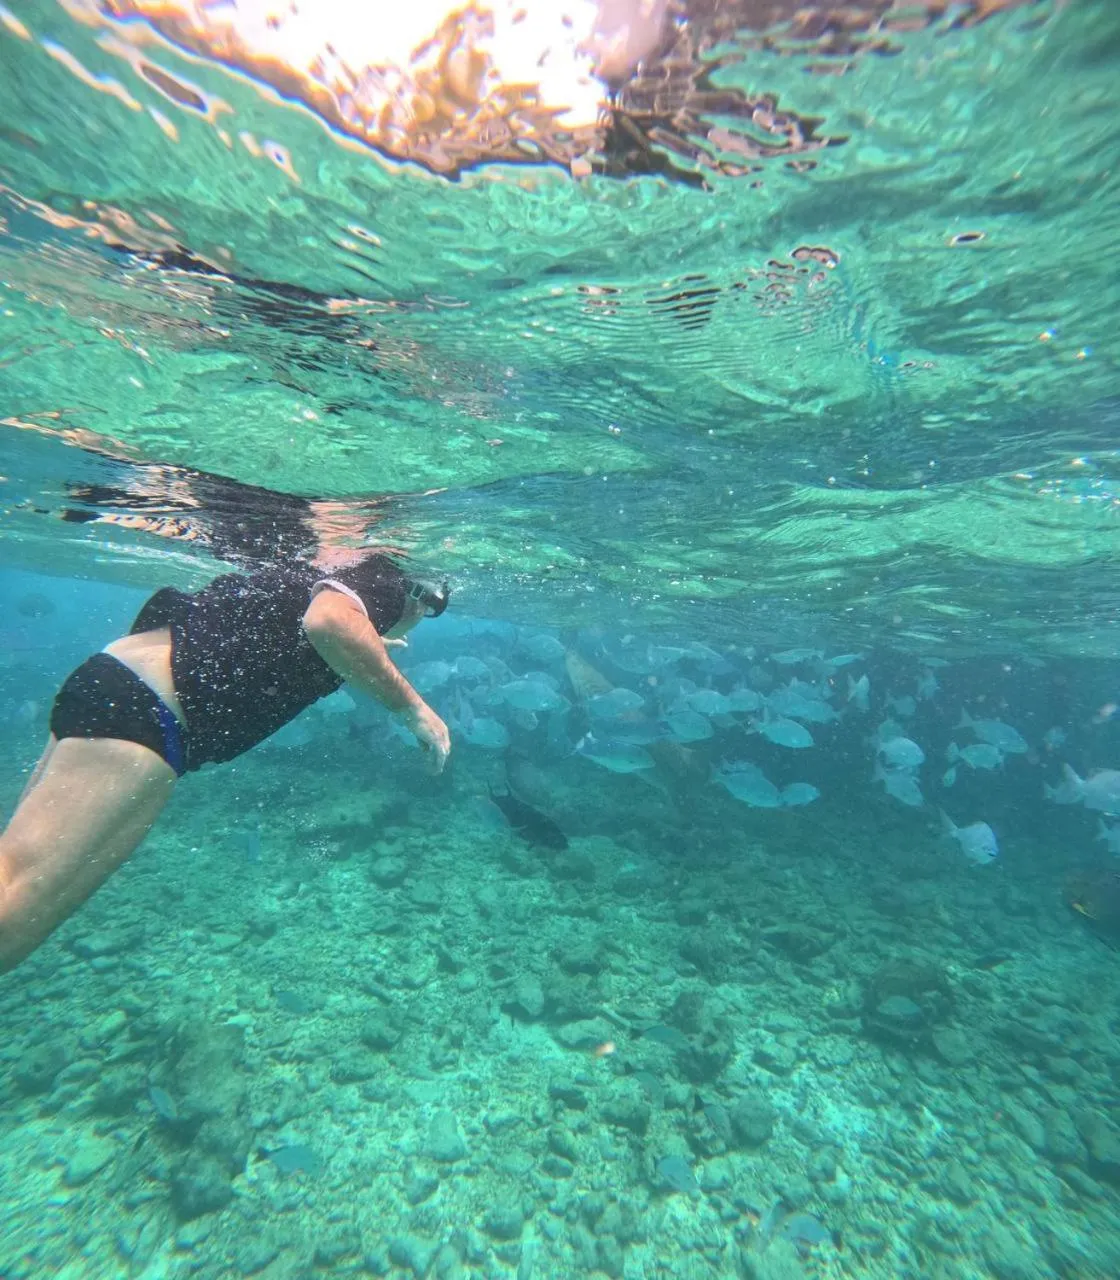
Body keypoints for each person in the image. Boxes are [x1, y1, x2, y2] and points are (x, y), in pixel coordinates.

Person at [0, 552, 451, 974]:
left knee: (11, 872)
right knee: (15, 921)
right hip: (147, 714)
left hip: (124, 688)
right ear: (424, 592)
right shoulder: (389, 576)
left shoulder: (336, 567)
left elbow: (294, 620)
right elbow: (329, 621)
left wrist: (364, 643)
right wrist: (415, 710)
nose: (422, 619)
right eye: (434, 608)